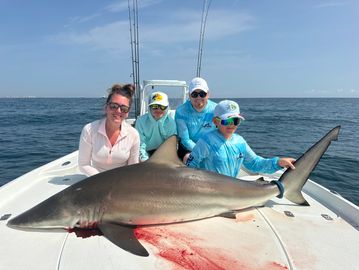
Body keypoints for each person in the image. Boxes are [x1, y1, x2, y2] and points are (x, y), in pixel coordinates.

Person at [186, 100, 295, 178]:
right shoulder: (206, 141)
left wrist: (278, 163)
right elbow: (190, 168)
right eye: (227, 121)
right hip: (209, 191)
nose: (232, 125)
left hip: (231, 190)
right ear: (215, 121)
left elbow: (255, 164)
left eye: (236, 121)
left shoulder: (240, 142)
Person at [78, 83, 140, 176]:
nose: (118, 111)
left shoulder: (133, 134)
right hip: (95, 180)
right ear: (106, 107)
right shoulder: (89, 130)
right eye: (114, 106)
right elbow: (83, 164)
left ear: (127, 112)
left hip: (122, 180)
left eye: (124, 108)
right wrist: (102, 179)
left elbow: (132, 167)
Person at [175, 77, 217, 162]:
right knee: (189, 158)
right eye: (194, 94)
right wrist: (201, 151)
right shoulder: (181, 111)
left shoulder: (216, 109)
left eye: (202, 94)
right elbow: (185, 140)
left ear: (208, 94)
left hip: (211, 146)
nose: (198, 97)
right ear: (189, 95)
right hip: (188, 148)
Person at [135, 91, 177, 162]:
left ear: (167, 108)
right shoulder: (140, 121)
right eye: (155, 106)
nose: (158, 110)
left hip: (164, 154)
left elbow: (172, 146)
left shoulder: (171, 123)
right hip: (146, 153)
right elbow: (140, 145)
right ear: (149, 107)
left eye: (162, 107)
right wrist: (145, 161)